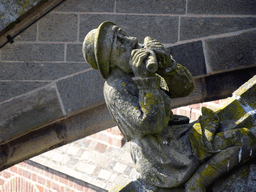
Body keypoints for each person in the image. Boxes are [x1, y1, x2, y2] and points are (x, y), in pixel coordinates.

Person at [82, 21, 256, 191]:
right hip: (162, 158)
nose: (132, 40)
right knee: (245, 140)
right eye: (120, 42)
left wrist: (167, 65)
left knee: (245, 137)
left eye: (124, 35)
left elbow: (185, 88)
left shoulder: (137, 67)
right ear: (110, 63)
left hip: (176, 138)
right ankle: (198, 183)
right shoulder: (116, 89)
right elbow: (151, 123)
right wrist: (145, 81)